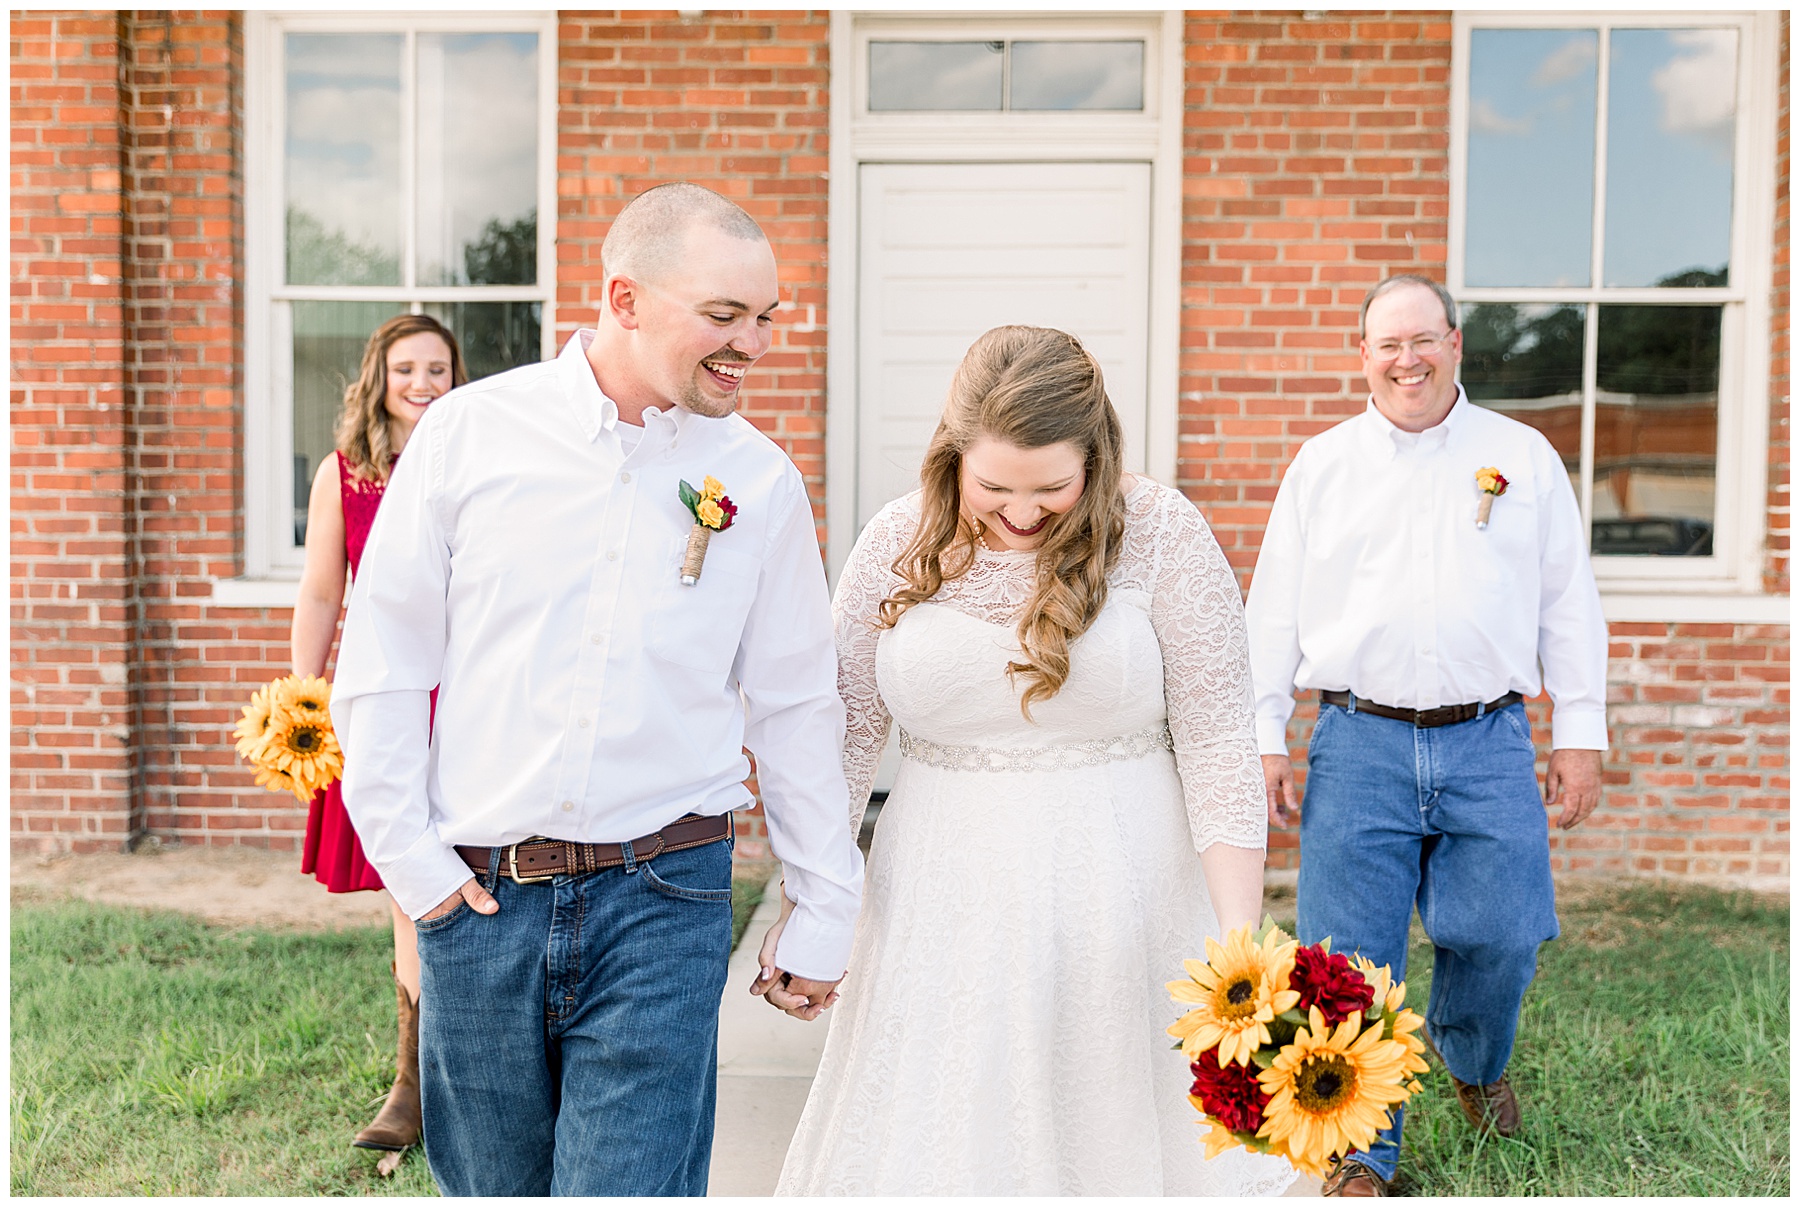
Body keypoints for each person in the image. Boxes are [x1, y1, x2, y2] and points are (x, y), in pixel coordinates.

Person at [331, 182, 865, 1197]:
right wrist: (416, 868)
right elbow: (386, 663)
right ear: (624, 299)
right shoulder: (468, 435)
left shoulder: (760, 479)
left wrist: (824, 901)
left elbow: (797, 704)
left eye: (765, 317)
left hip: (667, 893)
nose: (753, 345)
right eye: (724, 315)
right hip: (480, 897)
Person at [765, 325, 1294, 1196]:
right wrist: (808, 909)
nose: (1020, 514)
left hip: (1125, 894)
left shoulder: (1161, 530)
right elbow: (846, 735)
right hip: (938, 898)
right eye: (993, 487)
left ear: (1097, 455)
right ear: (953, 454)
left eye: (1052, 487)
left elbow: (1217, 738)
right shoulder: (896, 536)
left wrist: (1242, 944)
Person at [1245, 274, 1607, 1197]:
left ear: (1454, 343)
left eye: (1423, 340)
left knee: (1504, 932)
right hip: (1357, 738)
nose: (1406, 359)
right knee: (1347, 961)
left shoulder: (1521, 456)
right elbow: (1273, 608)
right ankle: (1361, 1150)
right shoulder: (1322, 465)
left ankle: (1472, 1056)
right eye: (1387, 344)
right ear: (1362, 356)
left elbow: (1568, 600)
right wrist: (1264, 731)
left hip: (1489, 737)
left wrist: (1580, 729)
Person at [292, 312, 465, 1169]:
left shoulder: (477, 457)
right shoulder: (344, 473)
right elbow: (322, 591)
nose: (423, 383)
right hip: (389, 693)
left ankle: (469, 1068)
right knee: (407, 879)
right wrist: (304, 695)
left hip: (471, 693)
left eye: (438, 368)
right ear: (379, 377)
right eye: (407, 369)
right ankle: (413, 1081)